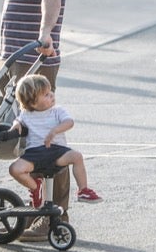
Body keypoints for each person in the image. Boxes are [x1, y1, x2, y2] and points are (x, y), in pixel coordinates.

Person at [0, 0, 71, 237]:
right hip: (14, 62)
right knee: (22, 141)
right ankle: (36, 207)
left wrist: (45, 32)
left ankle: (54, 216)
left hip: (35, 63)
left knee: (44, 144)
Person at [7, 74, 101, 203]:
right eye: (46, 94)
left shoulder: (57, 111)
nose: (51, 95)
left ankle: (83, 190)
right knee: (14, 169)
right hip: (34, 154)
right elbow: (18, 121)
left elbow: (69, 122)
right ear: (33, 102)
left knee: (77, 156)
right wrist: (16, 124)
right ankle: (35, 187)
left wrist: (55, 130)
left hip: (57, 151)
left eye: (50, 91)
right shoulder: (26, 114)